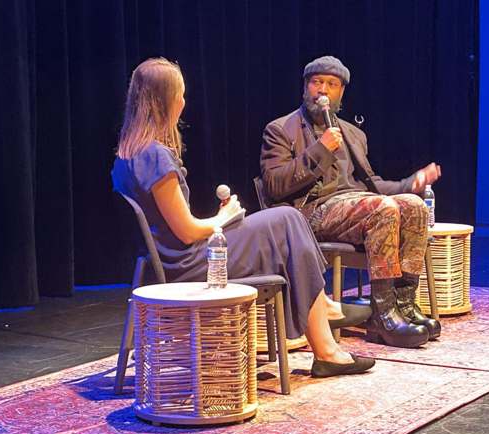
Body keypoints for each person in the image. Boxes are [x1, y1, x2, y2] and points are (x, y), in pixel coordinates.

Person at [111, 58, 373, 378]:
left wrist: (220, 219)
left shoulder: (128, 153)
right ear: (166, 100)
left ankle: (322, 317)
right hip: (190, 265)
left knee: (286, 221)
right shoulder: (153, 155)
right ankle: (324, 326)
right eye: (180, 95)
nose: (183, 102)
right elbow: (187, 232)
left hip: (175, 259)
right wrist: (224, 218)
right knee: (288, 219)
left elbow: (173, 226)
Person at [260, 55, 442, 348]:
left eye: (331, 85)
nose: (323, 90)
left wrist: (412, 183)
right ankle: (383, 314)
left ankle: (404, 305)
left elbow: (372, 184)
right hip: (311, 213)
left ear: (341, 92)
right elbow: (275, 185)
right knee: (382, 209)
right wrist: (320, 150)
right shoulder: (281, 129)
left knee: (414, 206)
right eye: (317, 82)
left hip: (356, 205)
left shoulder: (353, 134)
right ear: (305, 88)